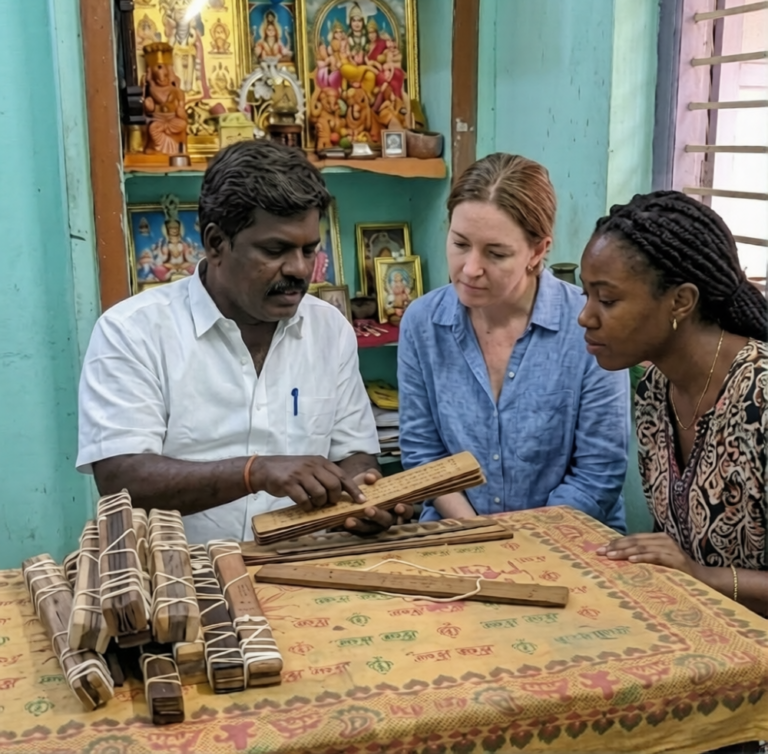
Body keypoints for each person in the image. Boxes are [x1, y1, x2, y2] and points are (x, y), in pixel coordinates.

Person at [77, 140, 412, 543]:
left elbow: (354, 454)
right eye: (275, 250)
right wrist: (254, 472)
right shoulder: (133, 331)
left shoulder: (329, 329)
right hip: (180, 579)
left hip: (302, 570)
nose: (299, 269)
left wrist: (366, 495)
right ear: (216, 243)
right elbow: (121, 480)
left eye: (310, 250)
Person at [398, 153, 629, 530]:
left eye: (496, 253)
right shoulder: (423, 324)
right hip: (457, 534)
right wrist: (476, 531)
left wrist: (521, 545)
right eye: (459, 244)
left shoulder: (587, 327)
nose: (471, 269)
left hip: (571, 537)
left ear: (537, 251)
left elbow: (598, 473)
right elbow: (423, 455)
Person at [580, 191, 767, 617]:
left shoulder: (762, 395)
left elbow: (692, 567)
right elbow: (671, 542)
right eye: (586, 295)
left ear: (680, 301)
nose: (585, 317)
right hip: (705, 639)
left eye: (607, 300)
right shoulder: (653, 390)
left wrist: (701, 575)